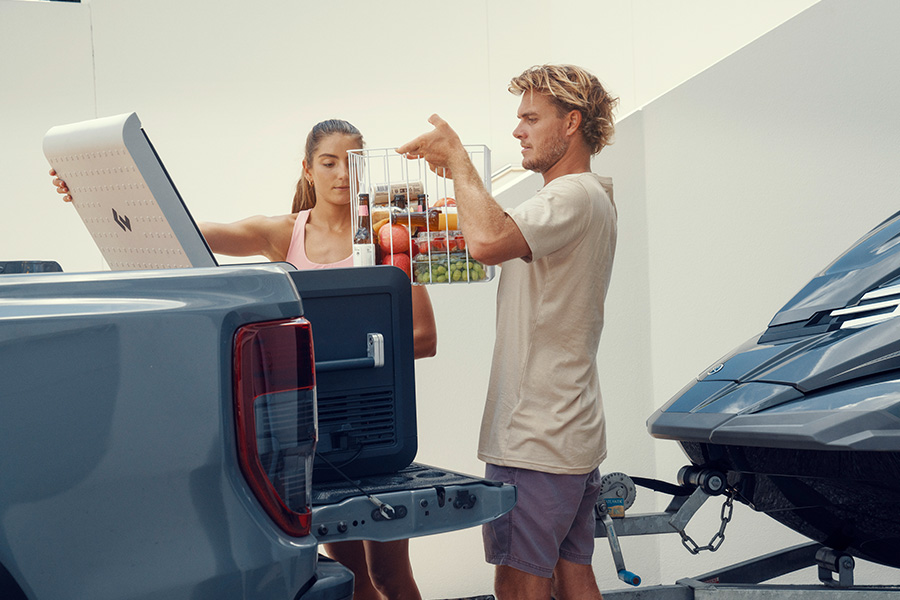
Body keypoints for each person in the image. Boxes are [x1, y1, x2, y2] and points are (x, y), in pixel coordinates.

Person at [52, 118, 432, 600]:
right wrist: (88, 193)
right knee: (350, 578)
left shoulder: (388, 238)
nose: (341, 174)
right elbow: (179, 234)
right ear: (308, 170)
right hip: (308, 429)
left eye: (351, 163)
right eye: (328, 162)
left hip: (374, 423)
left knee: (392, 577)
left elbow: (425, 336)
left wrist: (345, 355)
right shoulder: (282, 233)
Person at [397, 64, 618, 600]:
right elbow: (495, 230)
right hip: (568, 430)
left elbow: (488, 242)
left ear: (571, 122)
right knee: (573, 574)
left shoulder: (569, 197)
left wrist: (459, 160)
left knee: (519, 585)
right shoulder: (588, 197)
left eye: (530, 118)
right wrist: (458, 186)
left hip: (535, 436)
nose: (518, 130)